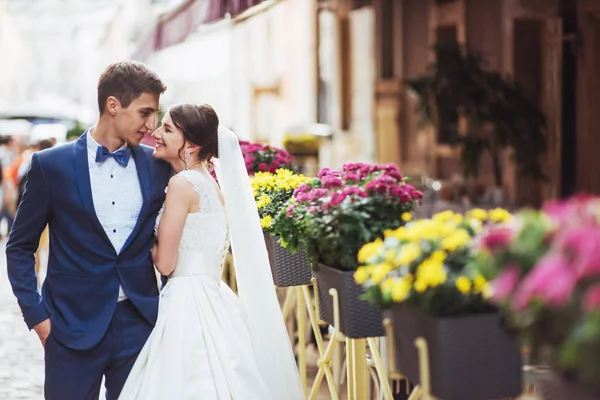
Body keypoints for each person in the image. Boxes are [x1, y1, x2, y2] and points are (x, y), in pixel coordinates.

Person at [6, 60, 171, 400]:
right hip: (69, 327)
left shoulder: (159, 166)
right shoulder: (51, 166)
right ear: (113, 105)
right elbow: (20, 246)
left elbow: (175, 237)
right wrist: (37, 316)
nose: (151, 125)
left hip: (139, 325)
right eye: (145, 113)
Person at [119, 104, 303, 399]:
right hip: (215, 295)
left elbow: (166, 264)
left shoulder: (182, 184)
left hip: (185, 299)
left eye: (167, 129)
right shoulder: (213, 187)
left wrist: (137, 235)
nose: (156, 133)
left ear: (190, 144)